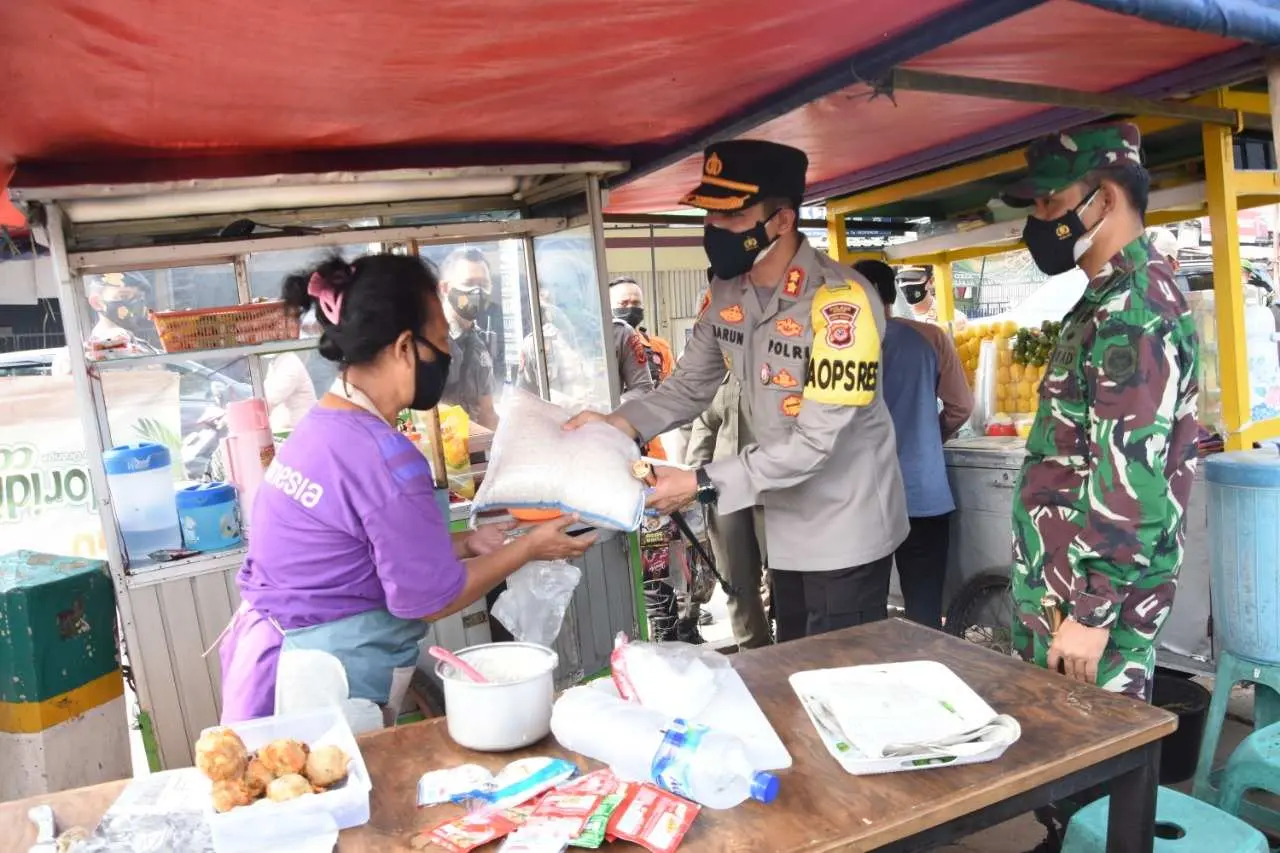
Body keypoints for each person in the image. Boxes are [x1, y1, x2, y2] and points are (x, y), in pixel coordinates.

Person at [218, 253, 594, 724]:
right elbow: (429, 597)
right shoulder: (387, 457)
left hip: (273, 656)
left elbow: (353, 549)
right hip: (324, 682)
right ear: (402, 347)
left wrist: (462, 543)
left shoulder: (320, 428)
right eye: (439, 341)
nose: (449, 353)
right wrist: (532, 548)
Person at [566, 139, 908, 642]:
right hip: (786, 517)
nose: (713, 231)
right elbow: (688, 388)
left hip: (845, 522)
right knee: (793, 664)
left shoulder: (842, 304)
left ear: (782, 221)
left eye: (730, 217)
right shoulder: (729, 294)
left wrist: (698, 480)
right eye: (709, 216)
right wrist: (617, 424)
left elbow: (815, 443)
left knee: (840, 677)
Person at [1001, 123, 1200, 850]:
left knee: (1098, 773)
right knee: (1068, 770)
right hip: (1070, 593)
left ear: (1105, 197)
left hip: (1093, 606)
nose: (1040, 219)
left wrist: (1090, 608)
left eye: (1052, 198)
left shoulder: (1135, 312)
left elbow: (1134, 482)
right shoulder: (1109, 299)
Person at [856, 259, 973, 630]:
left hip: (864, 495)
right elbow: (962, 406)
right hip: (923, 492)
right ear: (892, 292)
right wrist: (928, 438)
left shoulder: (837, 347)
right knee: (924, 608)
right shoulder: (930, 337)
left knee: (865, 607)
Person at [686, 373, 772, 648]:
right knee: (737, 584)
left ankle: (792, 654)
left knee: (788, 582)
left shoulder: (781, 354)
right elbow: (705, 422)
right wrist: (695, 476)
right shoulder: (720, 367)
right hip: (724, 492)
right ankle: (754, 656)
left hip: (774, 491)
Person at [439, 247, 499, 430]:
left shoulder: (478, 343)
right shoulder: (429, 342)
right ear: (445, 288)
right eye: (469, 283)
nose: (477, 292)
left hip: (475, 451)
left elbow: (487, 411)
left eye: (484, 284)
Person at [897, 266, 968, 330]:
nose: (906, 285)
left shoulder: (955, 319)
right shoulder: (896, 319)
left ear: (931, 281)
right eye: (903, 280)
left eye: (912, 279)